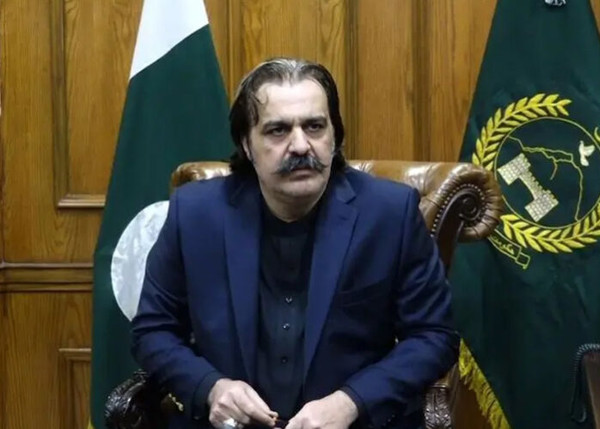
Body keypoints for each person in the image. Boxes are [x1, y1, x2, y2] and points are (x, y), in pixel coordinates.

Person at [131, 57, 459, 429]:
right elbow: (152, 330)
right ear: (247, 144)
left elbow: (434, 336)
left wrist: (351, 402)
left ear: (334, 136)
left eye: (315, 126)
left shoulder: (389, 214)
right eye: (278, 130)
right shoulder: (194, 214)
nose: (301, 145)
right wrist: (211, 387)